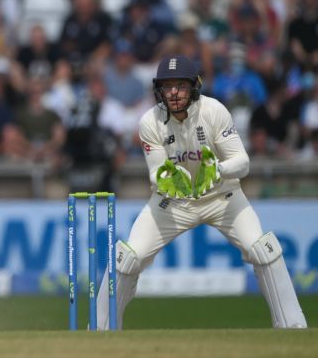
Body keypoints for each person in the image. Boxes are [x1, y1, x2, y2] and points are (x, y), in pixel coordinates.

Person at [96, 54, 307, 330]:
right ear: (158, 89)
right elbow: (154, 173)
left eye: (180, 86)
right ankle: (100, 331)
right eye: (167, 86)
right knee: (126, 258)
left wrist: (217, 171)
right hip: (172, 203)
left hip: (222, 198)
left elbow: (242, 162)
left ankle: (292, 328)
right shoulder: (150, 121)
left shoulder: (214, 111)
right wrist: (169, 180)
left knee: (264, 249)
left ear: (194, 86)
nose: (173, 93)